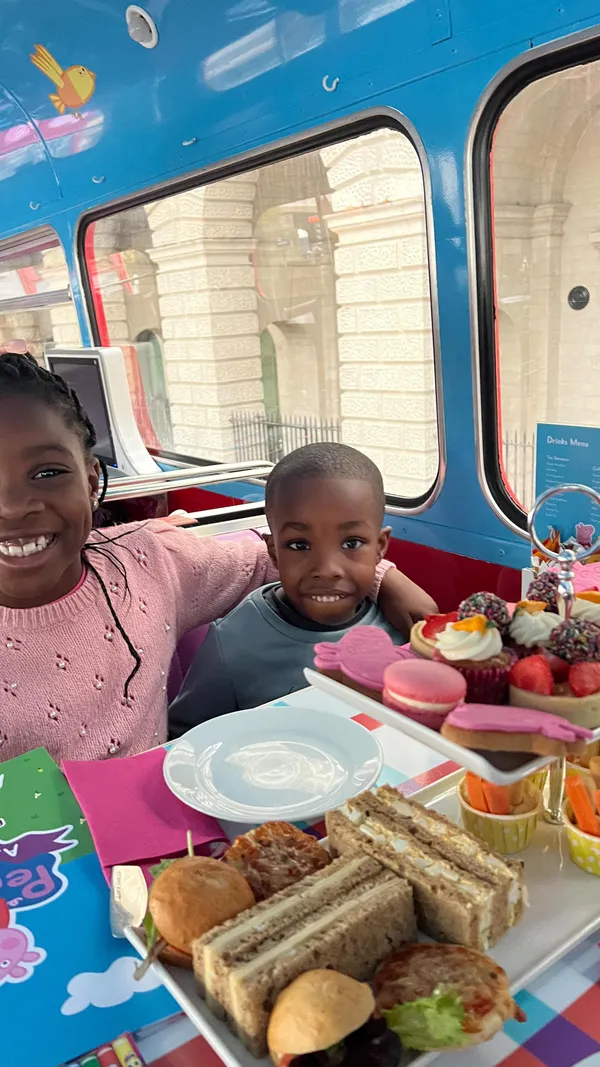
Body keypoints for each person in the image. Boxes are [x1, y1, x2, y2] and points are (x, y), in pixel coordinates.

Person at [0, 354, 436, 763]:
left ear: (92, 478)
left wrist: (385, 577)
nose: (14, 506)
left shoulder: (152, 563)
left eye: (47, 473)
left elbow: (275, 560)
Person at [169, 443, 437, 733]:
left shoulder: (403, 625)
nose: (326, 570)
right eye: (299, 545)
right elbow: (185, 736)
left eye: (351, 543)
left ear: (380, 548)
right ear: (273, 552)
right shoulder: (233, 642)